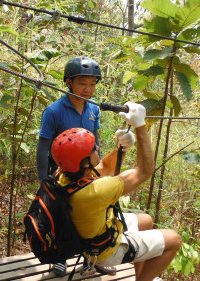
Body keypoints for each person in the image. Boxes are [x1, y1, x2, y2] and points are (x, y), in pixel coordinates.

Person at [50, 102, 182, 281]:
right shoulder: (96, 191)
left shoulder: (63, 176)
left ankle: (139, 276)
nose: (97, 147)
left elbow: (103, 166)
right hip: (104, 252)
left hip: (86, 238)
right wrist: (140, 126)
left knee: (146, 220)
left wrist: (121, 149)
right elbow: (144, 171)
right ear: (85, 163)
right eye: (93, 148)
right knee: (174, 239)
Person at [36, 57, 135, 276]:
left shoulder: (93, 109)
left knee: (95, 216)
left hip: (87, 171)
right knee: (62, 217)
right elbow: (43, 147)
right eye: (82, 83)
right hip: (61, 173)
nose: (88, 89)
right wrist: (44, 180)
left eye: (92, 84)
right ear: (69, 82)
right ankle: (60, 258)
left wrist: (97, 169)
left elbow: (95, 140)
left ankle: (91, 258)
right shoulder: (54, 111)